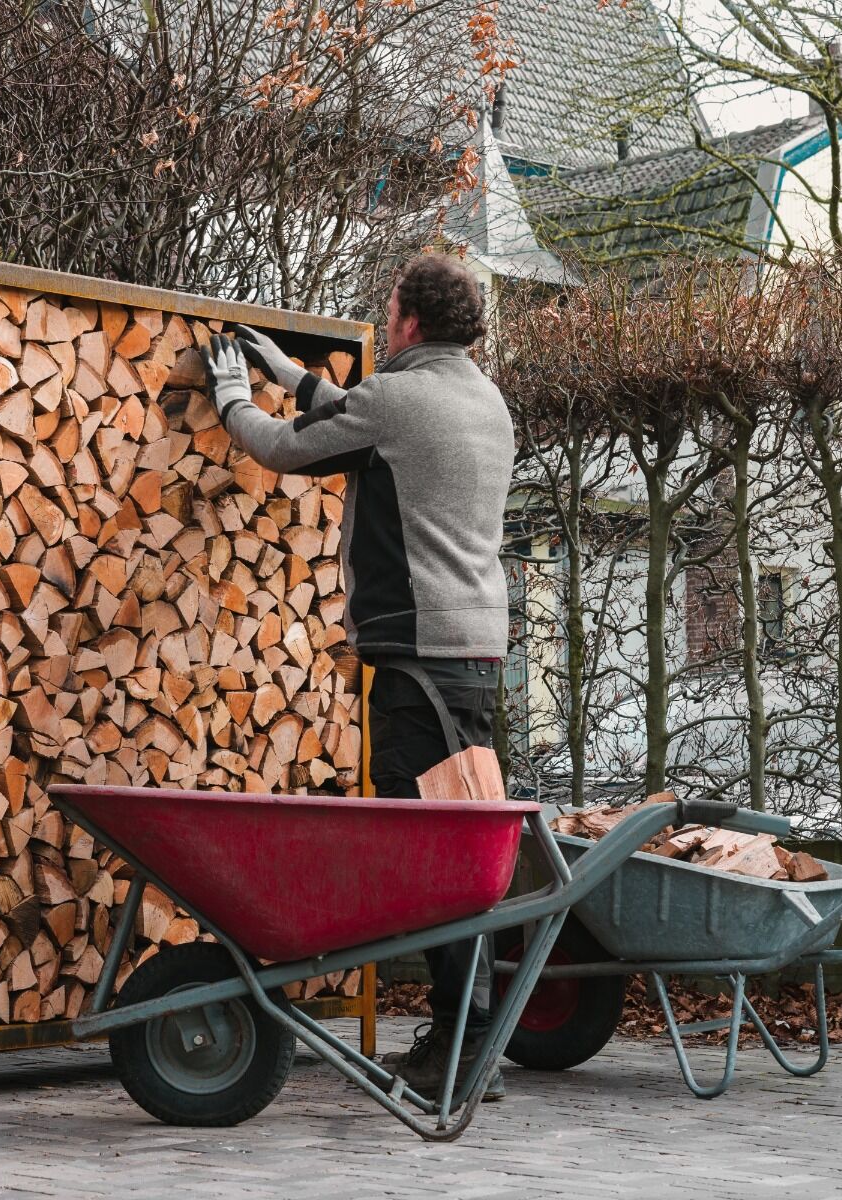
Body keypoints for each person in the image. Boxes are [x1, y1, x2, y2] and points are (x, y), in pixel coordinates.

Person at [199, 253, 515, 1104]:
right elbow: (372, 424)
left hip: (418, 659)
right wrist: (295, 373)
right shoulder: (480, 399)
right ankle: (471, 1035)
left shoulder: (402, 398)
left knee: (434, 854)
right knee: (460, 844)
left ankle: (464, 1040)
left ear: (408, 321)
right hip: (475, 654)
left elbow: (284, 448)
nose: (384, 316)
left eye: (389, 307)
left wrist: (235, 393)